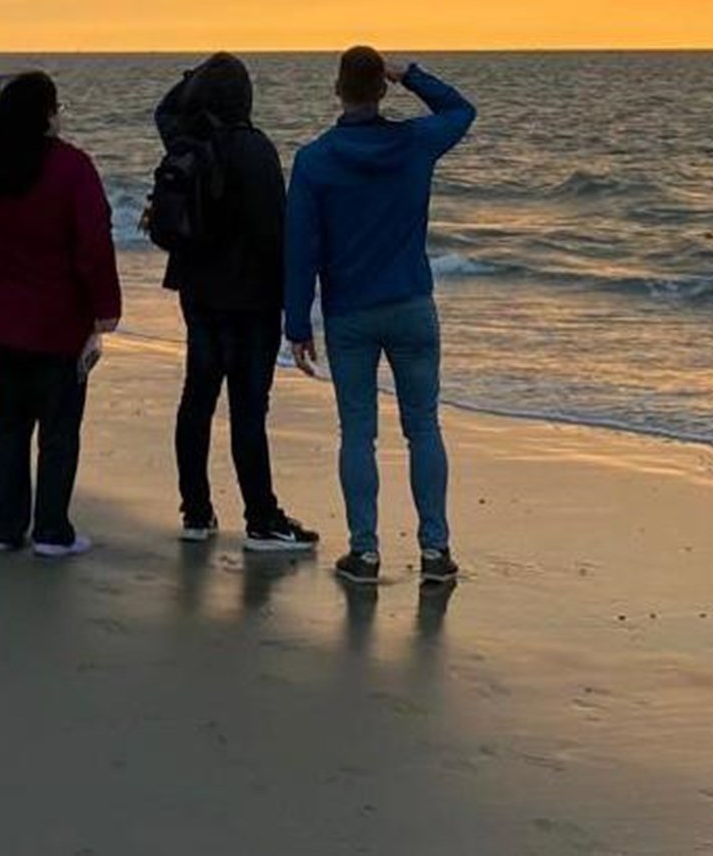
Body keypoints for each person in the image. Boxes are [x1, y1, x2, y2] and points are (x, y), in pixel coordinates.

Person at [284, 48, 475, 586]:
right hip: (412, 302)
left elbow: (301, 249)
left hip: (350, 312)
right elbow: (461, 111)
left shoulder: (316, 159)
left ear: (336, 90)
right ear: (382, 89)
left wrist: (296, 322)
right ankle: (435, 549)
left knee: (358, 433)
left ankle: (364, 552)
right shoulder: (414, 143)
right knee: (423, 426)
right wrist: (412, 75)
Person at [154, 54, 318, 551]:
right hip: (251, 299)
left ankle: (196, 511)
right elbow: (277, 234)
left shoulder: (186, 140)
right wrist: (296, 310)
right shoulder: (257, 150)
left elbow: (164, 109)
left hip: (199, 293)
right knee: (249, 409)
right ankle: (261, 517)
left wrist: (194, 79)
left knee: (197, 398)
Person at [0, 71, 121, 557]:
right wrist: (105, 307)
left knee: (5, 426)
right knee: (58, 429)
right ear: (48, 114)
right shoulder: (72, 167)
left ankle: (3, 525)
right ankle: (51, 529)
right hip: (57, 319)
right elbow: (93, 243)